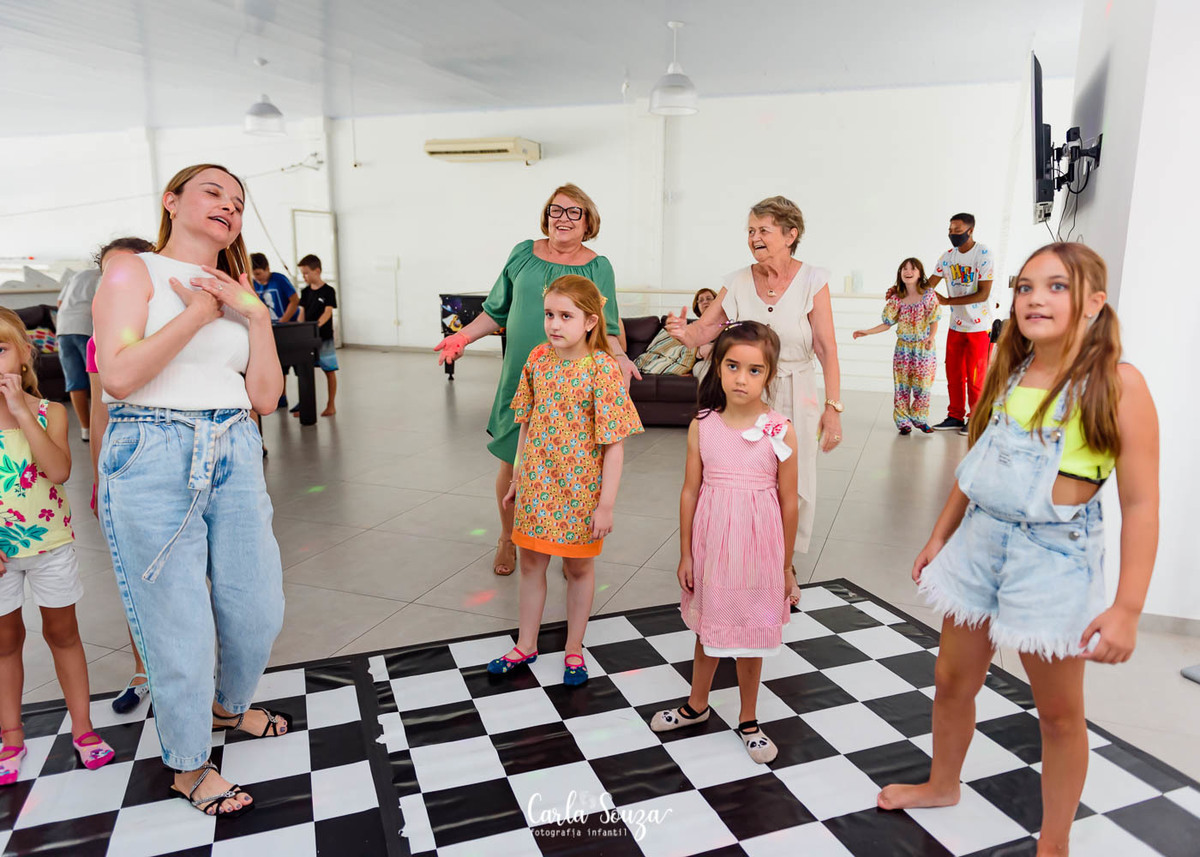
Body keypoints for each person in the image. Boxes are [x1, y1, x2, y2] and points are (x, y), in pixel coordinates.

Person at [878, 243, 1160, 857]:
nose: (1035, 298)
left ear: (1094, 302)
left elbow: (1141, 505)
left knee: (1057, 714)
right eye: (1025, 286)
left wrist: (1128, 607)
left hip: (1053, 561)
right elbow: (977, 467)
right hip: (980, 542)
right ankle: (943, 784)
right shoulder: (1011, 371)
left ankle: (1054, 841)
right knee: (951, 680)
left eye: (1057, 286)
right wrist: (940, 535)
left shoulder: (1118, 384)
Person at [93, 163, 288, 818]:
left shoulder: (240, 289)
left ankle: (226, 708)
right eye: (213, 192)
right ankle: (187, 763)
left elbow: (266, 397)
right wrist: (200, 314)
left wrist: (254, 317)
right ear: (172, 201)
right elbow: (119, 375)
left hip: (235, 441)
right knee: (178, 621)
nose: (229, 205)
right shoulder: (134, 270)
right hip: (153, 446)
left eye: (238, 200)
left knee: (257, 605)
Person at [434, 184, 640, 577]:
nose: (563, 218)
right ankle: (508, 537)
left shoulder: (599, 267)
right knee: (512, 463)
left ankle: (564, 544)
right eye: (555, 210)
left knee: (567, 468)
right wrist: (462, 337)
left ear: (588, 222)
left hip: (574, 383)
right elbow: (496, 310)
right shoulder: (522, 254)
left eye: (574, 212)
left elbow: (608, 326)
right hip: (524, 374)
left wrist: (619, 357)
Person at [648, 321, 799, 763]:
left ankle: (748, 719)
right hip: (713, 546)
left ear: (770, 374)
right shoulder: (704, 425)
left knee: (752, 634)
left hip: (759, 552)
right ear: (717, 366)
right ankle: (696, 705)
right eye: (732, 366)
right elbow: (689, 491)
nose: (741, 379)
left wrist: (786, 566)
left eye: (754, 370)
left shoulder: (780, 429)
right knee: (709, 628)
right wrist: (685, 553)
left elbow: (790, 502)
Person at [665, 195, 843, 557]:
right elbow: (703, 330)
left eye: (763, 230)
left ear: (791, 235)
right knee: (745, 476)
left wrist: (833, 407)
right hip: (745, 396)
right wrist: (683, 332)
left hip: (797, 390)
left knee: (795, 480)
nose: (754, 238)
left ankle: (784, 562)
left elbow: (826, 348)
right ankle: (744, 553)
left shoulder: (813, 280)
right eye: (750, 231)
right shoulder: (738, 281)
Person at [486, 275, 642, 686]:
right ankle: (526, 644)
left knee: (578, 569)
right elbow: (525, 423)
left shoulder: (602, 369)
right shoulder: (538, 358)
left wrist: (606, 505)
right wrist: (518, 475)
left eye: (566, 316)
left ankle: (574, 648)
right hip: (537, 485)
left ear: (590, 321)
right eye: (549, 314)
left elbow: (615, 446)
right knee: (531, 564)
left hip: (581, 492)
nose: (554, 324)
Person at [0, 308, 115, 784]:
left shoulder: (52, 412)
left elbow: (59, 471)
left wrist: (21, 411)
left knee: (63, 632)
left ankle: (83, 728)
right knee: (5, 642)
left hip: (51, 545)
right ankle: (11, 735)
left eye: (0, 349)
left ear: (25, 354)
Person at [82, 237, 155, 714]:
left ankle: (201, 673)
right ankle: (144, 669)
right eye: (110, 273)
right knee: (135, 574)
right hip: (126, 466)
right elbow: (99, 411)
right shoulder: (99, 341)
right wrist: (100, 481)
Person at [853, 258, 941, 434]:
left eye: (913, 269)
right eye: (904, 269)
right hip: (903, 349)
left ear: (920, 274)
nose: (908, 272)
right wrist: (867, 332)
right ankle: (903, 422)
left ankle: (919, 418)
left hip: (923, 348)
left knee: (923, 385)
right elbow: (887, 323)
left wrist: (931, 337)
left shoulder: (928, 295)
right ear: (900, 273)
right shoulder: (897, 299)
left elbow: (934, 319)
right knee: (901, 386)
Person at [928, 213, 994, 435]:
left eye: (957, 231)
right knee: (954, 373)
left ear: (970, 231)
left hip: (979, 326)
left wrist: (947, 301)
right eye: (950, 231)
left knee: (976, 376)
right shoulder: (947, 257)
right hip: (956, 325)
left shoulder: (982, 254)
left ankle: (976, 419)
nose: (952, 234)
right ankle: (955, 416)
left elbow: (983, 294)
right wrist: (899, 289)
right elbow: (927, 286)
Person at [56, 257, 102, 440]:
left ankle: (85, 430)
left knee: (75, 382)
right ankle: (101, 428)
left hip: (63, 328)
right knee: (97, 379)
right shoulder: (104, 276)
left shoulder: (77, 275)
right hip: (86, 327)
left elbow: (60, 303)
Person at [296, 254, 338, 417]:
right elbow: (302, 313)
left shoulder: (328, 291)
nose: (304, 277)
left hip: (324, 338)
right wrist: (300, 329)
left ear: (317, 271)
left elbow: (327, 312)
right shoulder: (305, 292)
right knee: (305, 373)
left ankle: (331, 405)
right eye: (302, 274)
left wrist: (315, 327)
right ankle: (305, 406)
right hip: (307, 339)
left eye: (306, 273)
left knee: (329, 371)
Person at [249, 253, 299, 322]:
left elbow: (295, 300)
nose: (255, 277)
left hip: (287, 323)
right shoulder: (253, 283)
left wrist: (283, 321)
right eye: (252, 275)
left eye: (258, 274)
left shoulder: (279, 279)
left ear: (267, 269)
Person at [691, 288, 718, 381]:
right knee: (705, 368)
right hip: (704, 363)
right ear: (697, 306)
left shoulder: (726, 323)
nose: (705, 302)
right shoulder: (694, 327)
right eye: (701, 300)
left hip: (723, 361)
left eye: (709, 298)